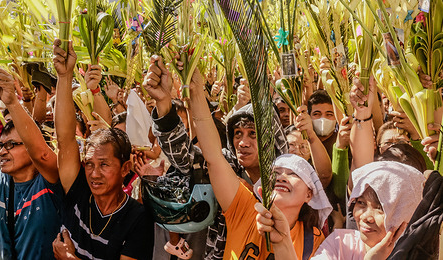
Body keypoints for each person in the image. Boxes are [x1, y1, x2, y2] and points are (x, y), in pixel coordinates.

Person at [171, 63, 332, 259]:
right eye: (276, 173)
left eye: (293, 174)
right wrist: (196, 91)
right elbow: (213, 156)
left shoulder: (314, 240)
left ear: (310, 193)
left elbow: (325, 174)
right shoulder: (244, 208)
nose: (281, 177)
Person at [143, 55, 289, 259]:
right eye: (237, 133)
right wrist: (164, 103)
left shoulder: (290, 179)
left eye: (253, 134)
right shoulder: (226, 169)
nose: (243, 143)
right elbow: (184, 156)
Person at [51, 39, 154, 260]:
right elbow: (65, 139)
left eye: (104, 164)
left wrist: (70, 259)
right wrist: (64, 76)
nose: (94, 173)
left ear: (125, 167)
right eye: (89, 164)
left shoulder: (136, 218)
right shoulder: (78, 189)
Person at [256, 161, 425, 260]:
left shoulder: (422, 252)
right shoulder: (340, 243)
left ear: (405, 209)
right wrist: (282, 241)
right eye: (361, 203)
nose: (366, 217)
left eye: (380, 207)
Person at [0, 66, 63, 259]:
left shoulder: (49, 183)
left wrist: (11, 102)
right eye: (0, 146)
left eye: (12, 144)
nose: (2, 152)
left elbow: (41, 154)